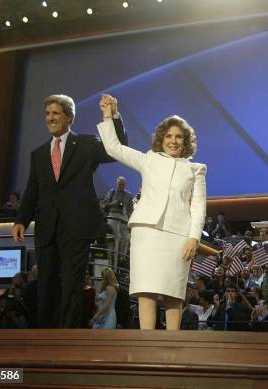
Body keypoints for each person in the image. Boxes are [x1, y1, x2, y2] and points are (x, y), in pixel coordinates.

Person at [12, 94, 127, 328]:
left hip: (77, 227)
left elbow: (117, 149)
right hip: (47, 228)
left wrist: (113, 116)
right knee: (46, 283)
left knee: (72, 285)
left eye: (55, 113)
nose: (50, 118)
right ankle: (44, 335)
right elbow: (32, 190)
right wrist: (21, 220)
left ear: (69, 117)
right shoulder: (38, 154)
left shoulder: (86, 144)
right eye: (47, 114)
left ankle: (68, 335)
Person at [97, 96, 207, 331]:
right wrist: (109, 115)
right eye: (169, 136)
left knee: (173, 294)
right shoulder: (149, 160)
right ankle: (147, 345)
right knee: (145, 290)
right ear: (161, 138)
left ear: (186, 141)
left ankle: (172, 346)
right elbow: (113, 148)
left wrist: (194, 237)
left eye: (178, 137)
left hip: (178, 237)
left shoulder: (195, 170)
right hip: (146, 233)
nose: (173, 141)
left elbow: (198, 207)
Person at [102, 176, 134, 263]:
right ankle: (112, 258)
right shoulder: (111, 192)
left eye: (123, 184)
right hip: (113, 215)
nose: (121, 186)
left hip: (124, 216)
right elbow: (104, 205)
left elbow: (131, 209)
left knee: (125, 238)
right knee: (115, 237)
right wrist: (113, 204)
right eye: (120, 184)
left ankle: (121, 258)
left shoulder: (129, 195)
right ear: (117, 183)